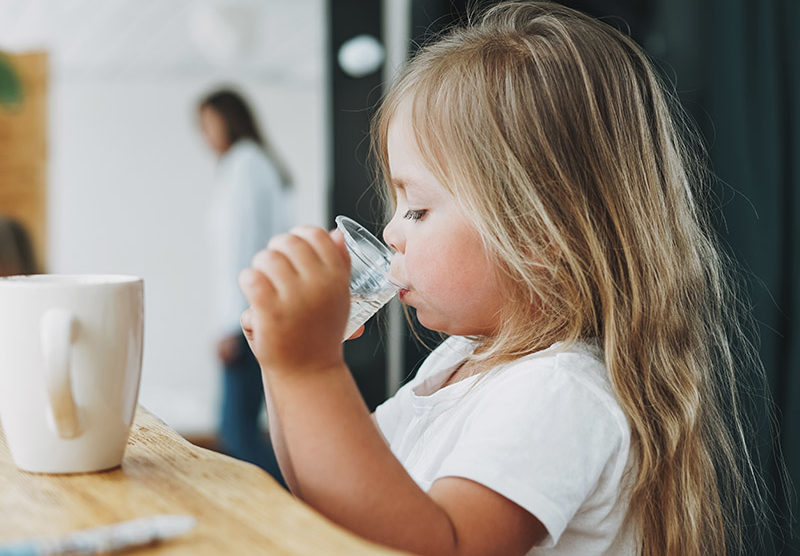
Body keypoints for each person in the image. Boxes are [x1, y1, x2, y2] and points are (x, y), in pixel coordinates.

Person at [237, 2, 768, 554]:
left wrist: (311, 369)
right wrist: (283, 367)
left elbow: (444, 545)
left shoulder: (560, 392)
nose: (390, 232)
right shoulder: (458, 362)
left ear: (537, 235)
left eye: (416, 209)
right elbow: (337, 499)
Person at [197, 88, 292, 486]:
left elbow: (242, 248)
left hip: (249, 315)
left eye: (208, 124)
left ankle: (298, 507)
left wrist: (231, 325)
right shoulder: (254, 164)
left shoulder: (244, 164)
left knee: (236, 432)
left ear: (228, 119)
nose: (205, 135)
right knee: (241, 428)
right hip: (256, 309)